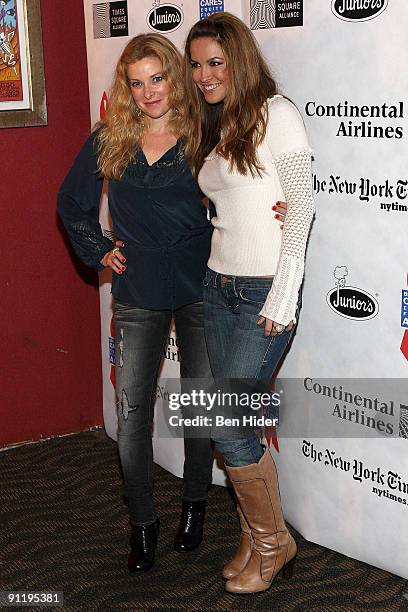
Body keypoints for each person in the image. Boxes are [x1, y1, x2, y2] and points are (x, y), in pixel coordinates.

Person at [57, 34, 216, 574]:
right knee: (131, 421)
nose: (149, 91)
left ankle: (195, 505)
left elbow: (246, 188)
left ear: (174, 75)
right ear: (125, 90)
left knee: (201, 407)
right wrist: (99, 247)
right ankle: (143, 521)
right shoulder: (111, 138)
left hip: (201, 286)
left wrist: (277, 209)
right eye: (137, 82)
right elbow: (72, 203)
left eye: (158, 77)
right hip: (138, 293)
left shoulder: (203, 132)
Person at [183, 13, 314, 594]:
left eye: (215, 62)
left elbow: (302, 205)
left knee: (230, 426)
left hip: (263, 291)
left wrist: (285, 291)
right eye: (197, 64)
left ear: (239, 59)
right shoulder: (216, 123)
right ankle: (253, 535)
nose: (205, 74)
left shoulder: (275, 113)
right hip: (218, 286)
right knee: (232, 421)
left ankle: (273, 542)